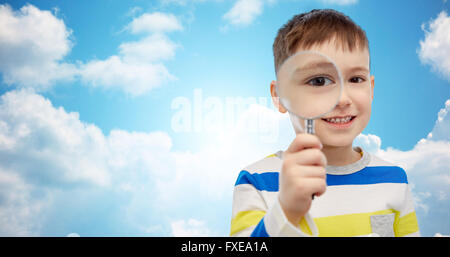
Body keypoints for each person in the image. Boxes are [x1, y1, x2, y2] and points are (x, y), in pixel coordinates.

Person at [230, 9, 420, 237]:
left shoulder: (395, 179)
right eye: (319, 81)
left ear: (371, 88)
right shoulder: (257, 181)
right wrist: (286, 211)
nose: (342, 99)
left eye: (355, 79)